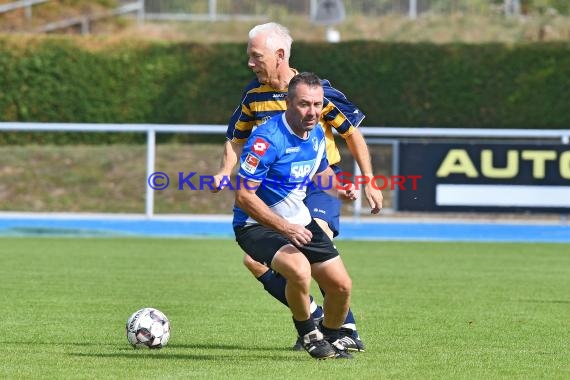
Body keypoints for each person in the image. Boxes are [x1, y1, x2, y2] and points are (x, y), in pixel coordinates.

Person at [212, 22, 383, 351]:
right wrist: (223, 170)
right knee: (258, 262)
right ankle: (317, 322)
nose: (250, 62)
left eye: (256, 56)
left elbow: (352, 134)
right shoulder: (254, 96)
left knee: (312, 251)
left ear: (279, 56)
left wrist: (367, 181)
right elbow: (236, 139)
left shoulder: (316, 92)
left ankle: (342, 329)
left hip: (318, 183)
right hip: (277, 191)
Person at [233, 72, 357, 359]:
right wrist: (285, 228)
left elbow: (322, 172)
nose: (312, 111)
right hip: (255, 225)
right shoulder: (266, 140)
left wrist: (341, 190)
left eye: (317, 104)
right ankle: (310, 335)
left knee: (341, 287)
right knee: (299, 269)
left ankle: (331, 336)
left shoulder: (315, 133)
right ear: (288, 102)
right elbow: (244, 196)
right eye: (304, 104)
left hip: (298, 222)